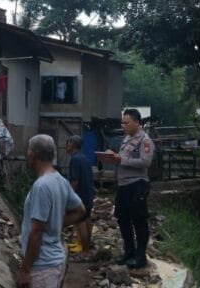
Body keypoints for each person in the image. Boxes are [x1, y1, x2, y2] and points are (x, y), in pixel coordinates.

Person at [18, 134, 85, 288]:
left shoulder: (41, 186)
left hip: (42, 266)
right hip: (56, 260)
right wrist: (57, 223)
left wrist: (25, 269)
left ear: (31, 155)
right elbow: (80, 210)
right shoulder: (60, 180)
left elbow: (37, 232)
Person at [100, 109, 155, 269]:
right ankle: (129, 252)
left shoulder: (145, 141)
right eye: (122, 122)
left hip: (137, 185)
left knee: (139, 220)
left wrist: (121, 160)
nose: (123, 125)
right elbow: (123, 157)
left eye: (126, 122)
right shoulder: (126, 139)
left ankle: (140, 257)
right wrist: (112, 155)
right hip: (123, 185)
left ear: (137, 122)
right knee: (122, 219)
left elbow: (145, 163)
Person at [65, 135, 95, 260]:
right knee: (87, 220)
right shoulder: (84, 158)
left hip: (80, 195)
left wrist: (70, 196)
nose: (66, 146)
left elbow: (75, 180)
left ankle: (86, 252)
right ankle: (86, 247)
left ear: (72, 145)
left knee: (80, 222)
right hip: (88, 194)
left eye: (67, 144)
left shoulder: (75, 160)